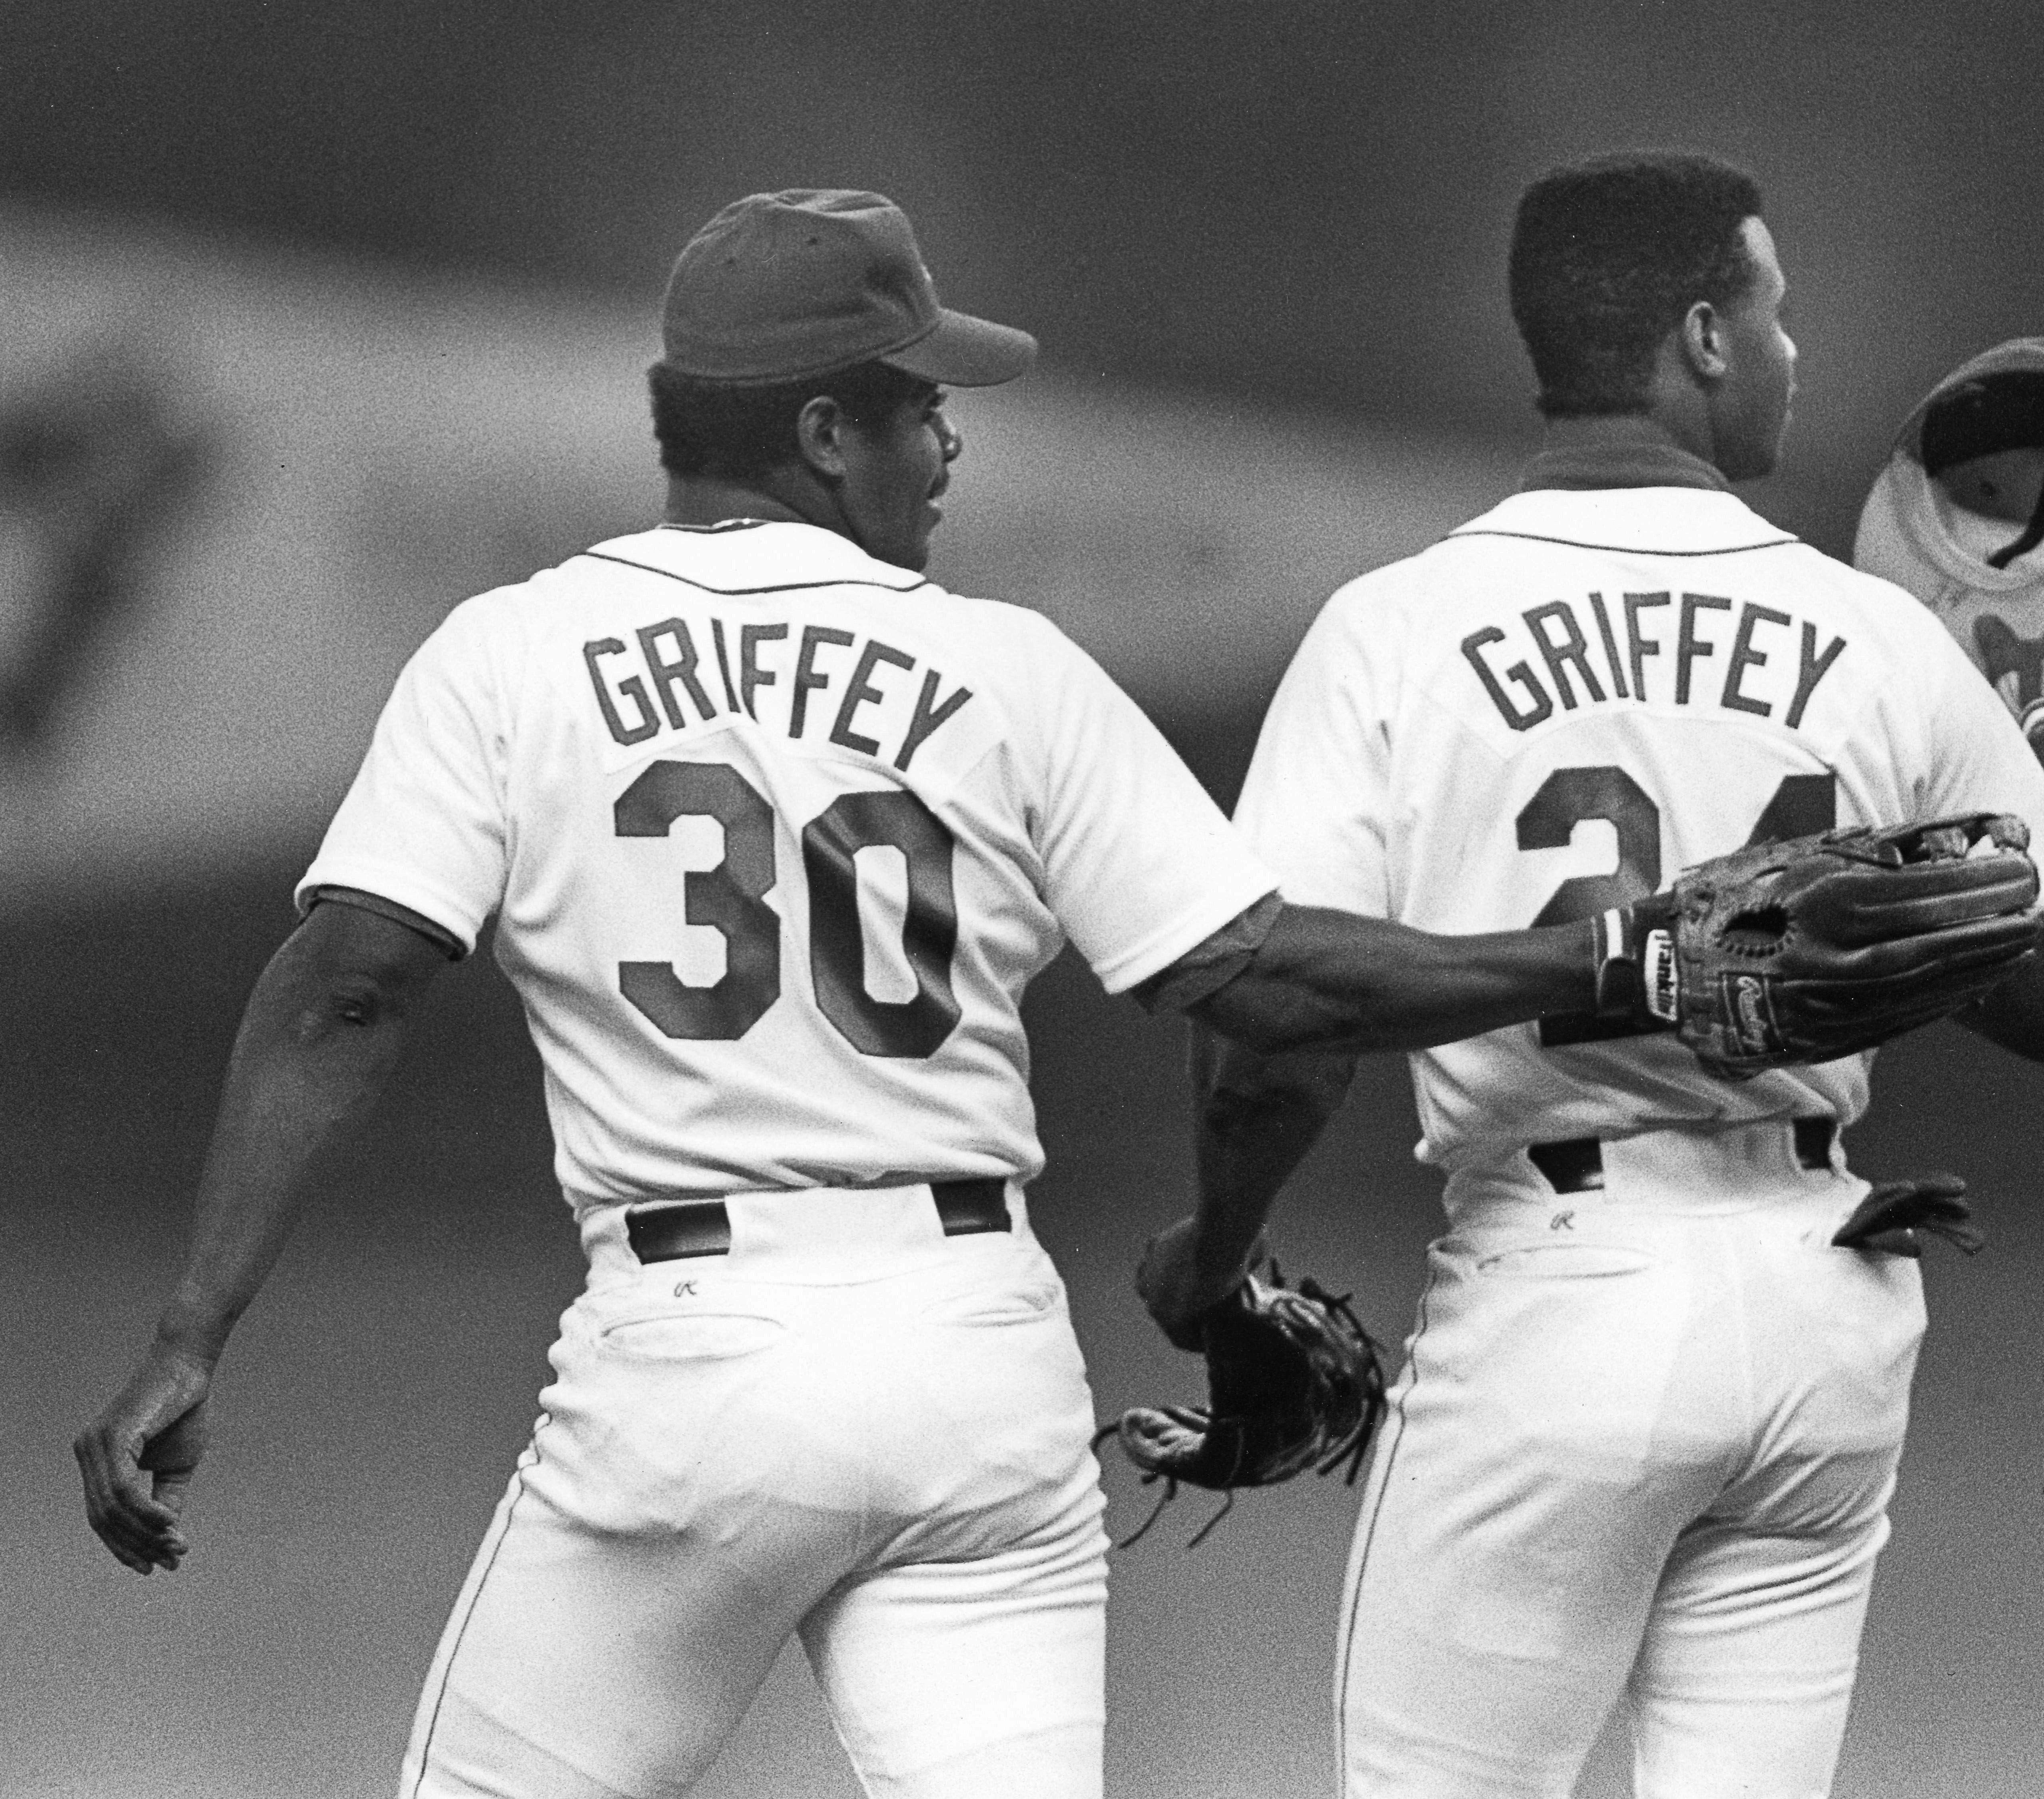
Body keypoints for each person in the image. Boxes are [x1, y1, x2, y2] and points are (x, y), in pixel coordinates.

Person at [76, 189, 1678, 1799]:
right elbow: (1258, 978)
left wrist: (191, 1335)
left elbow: (345, 987)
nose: (949, 444)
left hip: (689, 1362)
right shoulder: (1007, 667)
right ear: (828, 430)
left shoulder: (511, 656)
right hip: (970, 1363)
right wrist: (1618, 954)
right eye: (923, 405)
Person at [1137, 152, 2044, 1799]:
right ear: (1704, 339)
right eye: (1777, 309)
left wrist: (1218, 1264)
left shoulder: (1396, 627)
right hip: (1825, 1312)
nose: (1796, 349)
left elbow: (1272, 1041)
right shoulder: (1875, 636)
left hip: (1562, 1300)